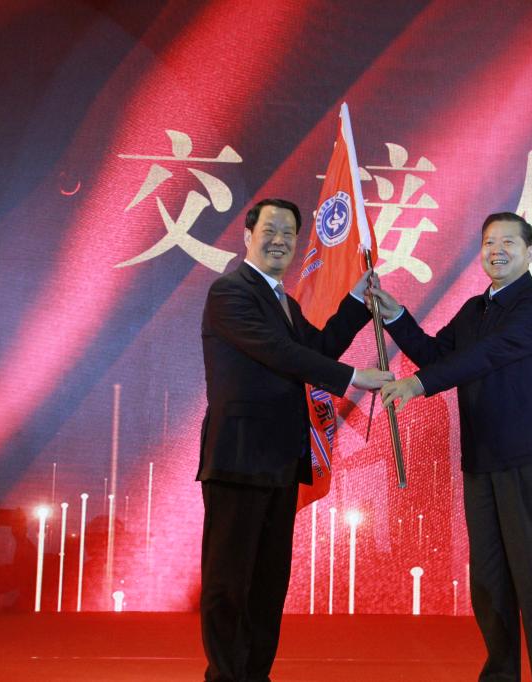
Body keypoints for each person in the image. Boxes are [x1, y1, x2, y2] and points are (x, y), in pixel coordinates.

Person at [375, 212, 532, 681]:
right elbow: (437, 355)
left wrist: (419, 385)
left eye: (509, 242)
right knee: (489, 583)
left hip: (530, 457)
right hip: (482, 460)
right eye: (489, 242)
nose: (497, 251)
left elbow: (488, 355)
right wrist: (396, 317)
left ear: (530, 252)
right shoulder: (473, 310)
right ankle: (500, 675)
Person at [198, 198, 392, 682]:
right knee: (229, 581)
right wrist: (354, 378)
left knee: (268, 583)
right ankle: (225, 676)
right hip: (238, 459)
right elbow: (280, 353)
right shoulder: (229, 292)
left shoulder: (283, 301)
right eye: (270, 230)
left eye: (289, 232)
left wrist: (357, 302)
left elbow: (317, 348)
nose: (280, 240)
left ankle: (255, 674)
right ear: (248, 235)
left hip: (282, 459)